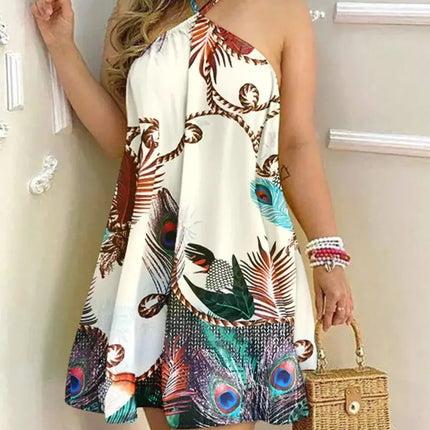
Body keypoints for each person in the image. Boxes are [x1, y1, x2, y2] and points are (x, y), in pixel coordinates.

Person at [32, 0, 355, 429]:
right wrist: (61, 47)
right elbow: (123, 140)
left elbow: (295, 143)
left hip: (242, 264)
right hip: (155, 260)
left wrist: (327, 254)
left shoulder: (282, 9)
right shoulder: (137, 9)